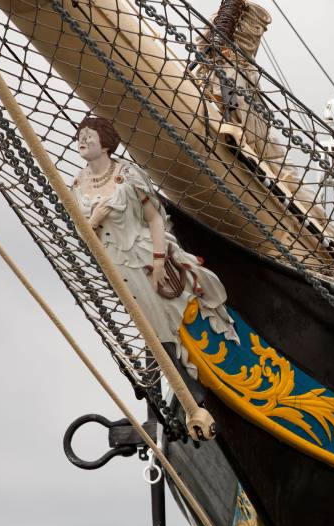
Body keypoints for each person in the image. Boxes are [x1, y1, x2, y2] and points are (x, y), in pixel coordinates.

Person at [71, 116, 238, 379]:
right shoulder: (79, 184)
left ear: (104, 143)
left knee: (167, 316)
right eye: (80, 136)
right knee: (146, 322)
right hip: (116, 264)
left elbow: (155, 218)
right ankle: (168, 375)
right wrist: (94, 220)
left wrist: (160, 261)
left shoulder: (127, 175)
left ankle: (187, 376)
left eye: (89, 135)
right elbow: (82, 232)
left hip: (144, 256)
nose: (82, 140)